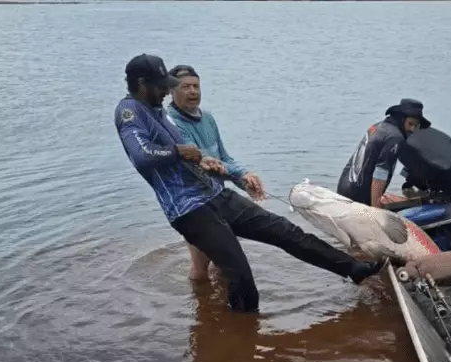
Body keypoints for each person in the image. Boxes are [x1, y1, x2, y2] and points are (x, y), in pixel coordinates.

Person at [113, 54, 383, 313]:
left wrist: (205, 162)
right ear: (141, 84)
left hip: (216, 194)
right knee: (238, 272)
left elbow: (190, 156)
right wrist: (180, 152)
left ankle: (352, 268)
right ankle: (243, 335)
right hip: (189, 210)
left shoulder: (159, 110)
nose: (165, 91)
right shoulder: (129, 111)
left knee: (285, 231)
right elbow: (142, 155)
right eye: (162, 86)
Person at [165, 64, 265, 280]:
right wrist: (237, 176)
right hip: (194, 207)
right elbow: (202, 164)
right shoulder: (170, 123)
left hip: (218, 199)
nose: (193, 91)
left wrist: (245, 177)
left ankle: (217, 309)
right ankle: (201, 310)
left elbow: (223, 159)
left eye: (196, 86)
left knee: (224, 264)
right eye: (185, 87)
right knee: (201, 269)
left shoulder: (208, 119)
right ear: (171, 91)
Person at [336, 99, 431, 207]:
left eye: (416, 126)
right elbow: (380, 173)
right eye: (410, 124)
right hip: (358, 199)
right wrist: (376, 207)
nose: (412, 129)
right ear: (401, 118)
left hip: (343, 190)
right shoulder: (395, 138)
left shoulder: (378, 127)